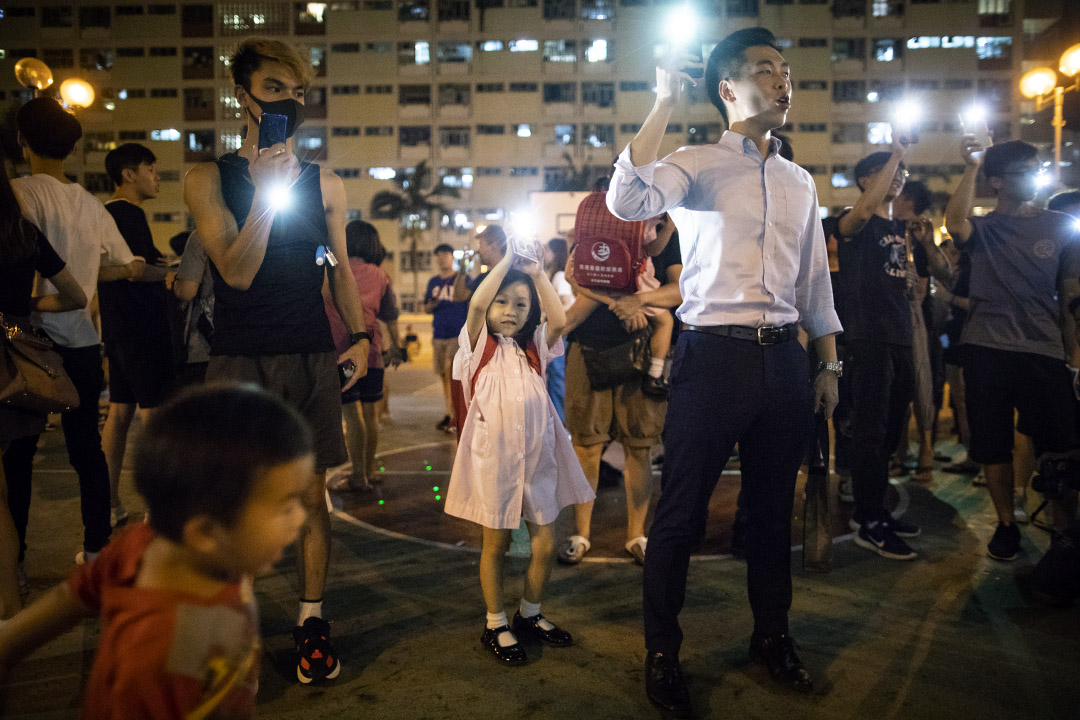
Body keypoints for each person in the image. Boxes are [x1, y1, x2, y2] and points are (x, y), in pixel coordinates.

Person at [607, 28, 841, 713]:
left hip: (786, 365)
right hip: (713, 357)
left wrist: (828, 364)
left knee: (772, 517)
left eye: (786, 70)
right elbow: (629, 201)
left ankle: (772, 637)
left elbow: (816, 287)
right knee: (679, 515)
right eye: (765, 70)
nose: (782, 80)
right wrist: (662, 103)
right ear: (728, 89)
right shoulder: (695, 161)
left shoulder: (799, 181)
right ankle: (662, 651)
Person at [183, 37, 370, 682]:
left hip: (310, 355)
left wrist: (362, 334)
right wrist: (265, 194)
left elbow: (339, 269)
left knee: (312, 497)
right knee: (230, 503)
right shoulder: (208, 178)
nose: (288, 102)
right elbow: (234, 272)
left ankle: (311, 620)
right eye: (273, 90)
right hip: (238, 361)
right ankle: (233, 627)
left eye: (297, 93)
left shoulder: (327, 184)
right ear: (243, 95)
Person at [0, 385, 312, 716]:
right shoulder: (164, 654)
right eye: (285, 505)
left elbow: (74, 594)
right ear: (206, 532)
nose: (301, 517)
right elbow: (74, 596)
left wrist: (7, 647)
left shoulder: (152, 544)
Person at [4, 97, 143, 575]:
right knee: (86, 452)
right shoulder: (89, 202)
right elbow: (120, 265)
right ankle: (98, 550)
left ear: (22, 141)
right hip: (82, 342)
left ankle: (15, 560)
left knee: (18, 455)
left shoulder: (16, 192)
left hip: (26, 339)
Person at [445, 250, 594, 665]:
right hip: (496, 465)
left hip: (537, 462)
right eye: (503, 301)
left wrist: (537, 273)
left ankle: (529, 613)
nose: (511, 311)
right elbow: (475, 303)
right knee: (496, 543)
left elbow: (560, 319)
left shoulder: (535, 350)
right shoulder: (476, 349)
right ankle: (495, 622)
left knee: (545, 543)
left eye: (521, 304)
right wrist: (509, 257)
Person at [944, 139, 1080, 561]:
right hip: (987, 349)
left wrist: (1075, 357)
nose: (1037, 175)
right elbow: (954, 222)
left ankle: (1063, 532)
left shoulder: (1062, 226)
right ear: (998, 181)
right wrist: (972, 166)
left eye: (1039, 167)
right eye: (1027, 170)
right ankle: (1006, 525)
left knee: (1060, 445)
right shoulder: (983, 228)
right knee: (993, 444)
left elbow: (1071, 296)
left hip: (1044, 351)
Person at [556, 217, 678, 567]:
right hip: (589, 349)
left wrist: (637, 301)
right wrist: (620, 302)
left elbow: (680, 289)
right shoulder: (591, 230)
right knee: (586, 447)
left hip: (640, 350)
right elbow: (573, 277)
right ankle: (581, 534)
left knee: (639, 447)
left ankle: (637, 535)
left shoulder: (662, 229)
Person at [0, 163, 87, 623]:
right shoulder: (22, 231)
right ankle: (10, 599)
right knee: (10, 482)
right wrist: (21, 310)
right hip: (14, 363)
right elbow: (75, 296)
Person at [836, 146, 932, 560]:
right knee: (871, 434)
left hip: (900, 339)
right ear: (864, 182)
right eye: (888, 171)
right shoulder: (853, 223)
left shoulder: (903, 229)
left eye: (903, 171)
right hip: (868, 339)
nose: (899, 176)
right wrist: (896, 152)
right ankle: (869, 519)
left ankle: (871, 511)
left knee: (892, 432)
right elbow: (861, 212)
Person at [99, 143, 175, 525]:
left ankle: (109, 505)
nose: (156, 175)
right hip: (142, 329)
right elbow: (139, 270)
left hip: (117, 330)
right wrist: (173, 273)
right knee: (154, 419)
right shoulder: (128, 213)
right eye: (151, 168)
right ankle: (159, 511)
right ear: (128, 174)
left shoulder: (105, 214)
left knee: (119, 414)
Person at [324, 221, 403, 492]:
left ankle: (358, 477)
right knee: (371, 416)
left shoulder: (334, 267)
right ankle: (367, 473)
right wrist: (398, 345)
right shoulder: (380, 275)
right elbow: (390, 315)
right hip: (372, 353)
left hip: (342, 353)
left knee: (351, 415)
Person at [424, 243, 468, 433]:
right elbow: (425, 307)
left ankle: (456, 415)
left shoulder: (462, 279)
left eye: (446, 255)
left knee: (454, 374)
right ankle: (449, 411)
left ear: (452, 257)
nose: (442, 258)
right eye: (439, 255)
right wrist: (432, 305)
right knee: (444, 376)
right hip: (439, 334)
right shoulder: (433, 282)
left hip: (457, 334)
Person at [172, 230, 215, 387]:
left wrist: (175, 284)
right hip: (261, 340)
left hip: (207, 342)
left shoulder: (203, 235)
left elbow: (187, 291)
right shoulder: (263, 231)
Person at [543, 237, 574, 421]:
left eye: (547, 250)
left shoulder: (559, 276)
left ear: (555, 253)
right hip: (561, 332)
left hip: (560, 333)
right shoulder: (559, 274)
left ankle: (558, 421)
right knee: (556, 377)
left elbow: (567, 303)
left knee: (556, 377)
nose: (545, 254)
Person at [453, 224, 507, 303]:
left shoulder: (512, 275)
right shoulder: (482, 278)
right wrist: (464, 266)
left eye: (481, 245)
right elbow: (458, 296)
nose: (478, 251)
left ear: (494, 247)